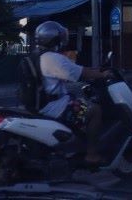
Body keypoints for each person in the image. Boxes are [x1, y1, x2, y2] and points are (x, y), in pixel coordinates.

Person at [35, 21, 108, 166]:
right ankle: (92, 155)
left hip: (38, 105)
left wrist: (93, 69)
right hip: (55, 107)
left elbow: (74, 69)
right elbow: (81, 73)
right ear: (55, 39)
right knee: (95, 110)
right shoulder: (53, 58)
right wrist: (103, 74)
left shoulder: (35, 56)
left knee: (76, 100)